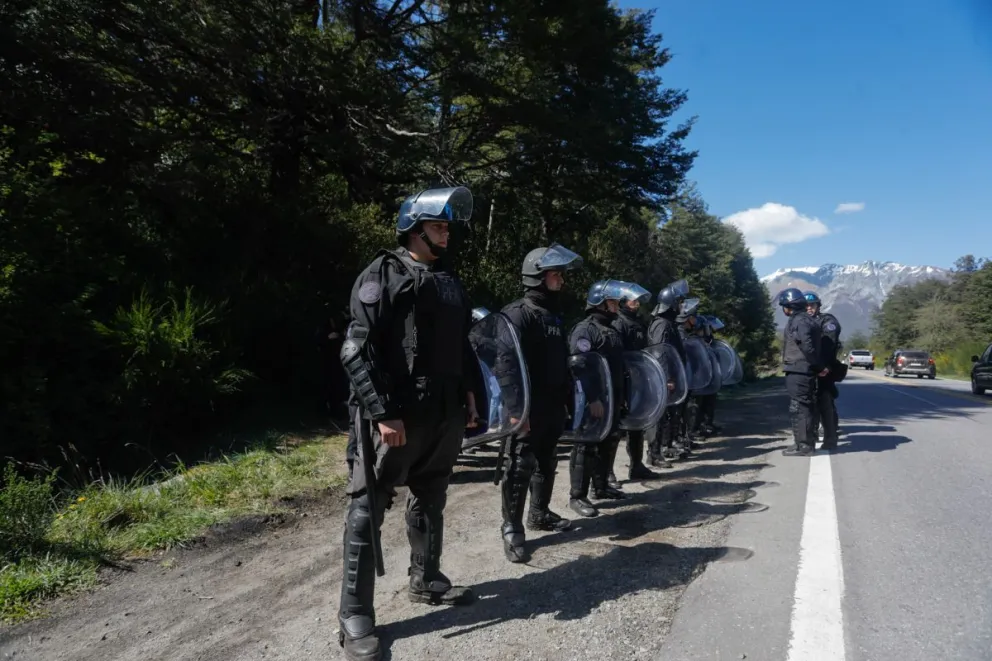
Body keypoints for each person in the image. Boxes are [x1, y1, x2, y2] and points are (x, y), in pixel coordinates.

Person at [337, 186, 482, 661]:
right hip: (396, 417)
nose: (447, 232)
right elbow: (356, 350)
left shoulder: (449, 282)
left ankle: (426, 578)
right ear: (415, 228)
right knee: (367, 509)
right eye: (439, 225)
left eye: (446, 226)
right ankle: (355, 615)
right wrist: (382, 413)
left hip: (441, 416)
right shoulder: (383, 274)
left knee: (432, 497)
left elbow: (463, 348)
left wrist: (472, 398)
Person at [494, 243, 584, 562]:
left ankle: (539, 513)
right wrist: (519, 411)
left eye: (560, 274)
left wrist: (570, 398)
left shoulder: (553, 316)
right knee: (520, 465)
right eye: (555, 274)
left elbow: (561, 361)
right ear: (537, 276)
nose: (561, 279)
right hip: (527, 407)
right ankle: (512, 528)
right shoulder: (517, 314)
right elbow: (504, 365)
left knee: (546, 462)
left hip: (552, 404)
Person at [566, 279, 628, 518]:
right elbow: (579, 367)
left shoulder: (612, 330)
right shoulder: (585, 330)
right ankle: (578, 496)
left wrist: (622, 397)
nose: (616, 305)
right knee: (586, 445)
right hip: (592, 399)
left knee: (609, 441)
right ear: (600, 303)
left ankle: (600, 487)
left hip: (613, 399)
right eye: (612, 301)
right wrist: (593, 399)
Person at [611, 282, 660, 481]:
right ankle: (608, 472)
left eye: (637, 300)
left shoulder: (638, 323)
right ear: (622, 301)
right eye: (632, 300)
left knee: (638, 425)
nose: (636, 303)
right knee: (615, 428)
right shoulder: (618, 323)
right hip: (624, 382)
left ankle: (636, 465)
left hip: (639, 382)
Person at [646, 279, 690, 468]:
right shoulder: (662, 324)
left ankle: (661, 451)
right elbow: (660, 351)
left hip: (669, 377)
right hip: (663, 379)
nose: (681, 306)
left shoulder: (668, 323)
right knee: (660, 418)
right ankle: (654, 455)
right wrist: (666, 378)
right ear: (671, 303)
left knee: (667, 416)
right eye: (678, 302)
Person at [778, 287, 827, 456]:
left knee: (800, 407)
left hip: (799, 369)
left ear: (789, 305)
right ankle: (801, 443)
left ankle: (805, 445)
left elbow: (806, 344)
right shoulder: (802, 319)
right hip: (799, 369)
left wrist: (818, 366)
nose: (783, 309)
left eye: (784, 305)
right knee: (800, 406)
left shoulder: (800, 320)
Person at [805, 292, 841, 450]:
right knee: (809, 403)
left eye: (812, 305)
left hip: (825, 368)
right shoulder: (802, 321)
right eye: (805, 306)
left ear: (818, 306)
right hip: (808, 369)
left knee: (825, 402)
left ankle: (830, 438)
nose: (809, 308)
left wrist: (823, 366)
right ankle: (810, 436)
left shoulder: (827, 320)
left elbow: (828, 344)